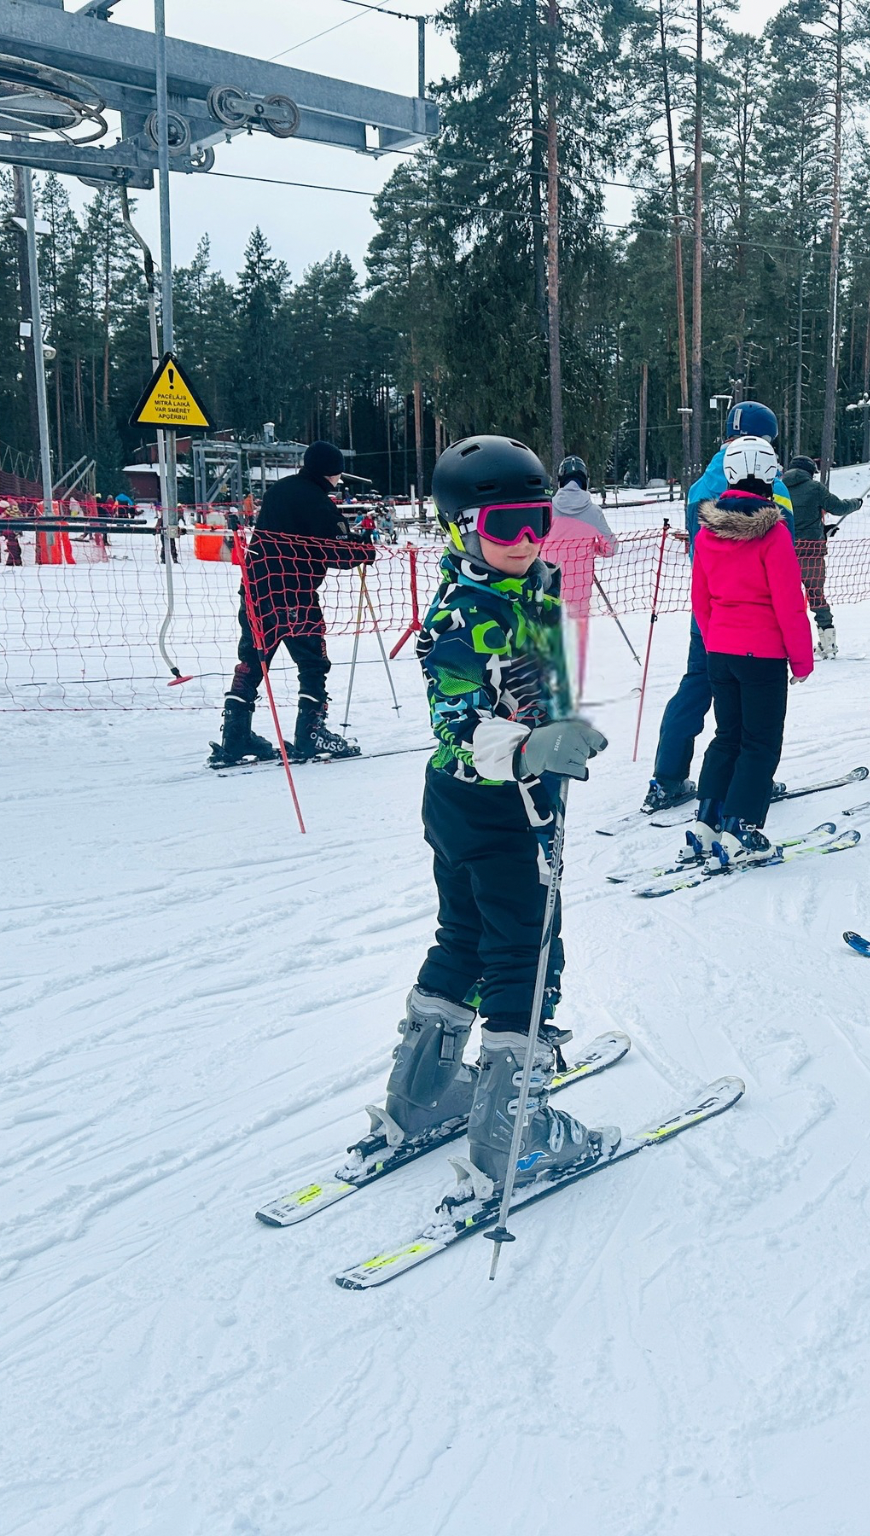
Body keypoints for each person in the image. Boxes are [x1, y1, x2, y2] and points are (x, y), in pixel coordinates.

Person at [382, 432, 615, 1186]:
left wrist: (560, 725)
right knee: (526, 948)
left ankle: (421, 1094)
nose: (522, 541)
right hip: (489, 800)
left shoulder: (535, 583)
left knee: (470, 934)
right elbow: (454, 721)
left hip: (494, 798)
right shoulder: (460, 614)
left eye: (535, 520)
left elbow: (543, 681)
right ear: (457, 529)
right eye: (501, 526)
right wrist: (528, 751)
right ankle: (513, 1131)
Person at [640, 401, 794, 813]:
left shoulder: (704, 483)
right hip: (757, 617)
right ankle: (751, 779)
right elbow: (785, 549)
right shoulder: (770, 482)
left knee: (698, 685)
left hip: (708, 606)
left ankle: (667, 776)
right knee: (753, 707)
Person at [687, 436, 815, 867]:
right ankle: (741, 827)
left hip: (721, 648)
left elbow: (700, 599)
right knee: (760, 742)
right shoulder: (773, 534)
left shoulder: (707, 533)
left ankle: (707, 820)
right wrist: (801, 657)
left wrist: (713, 639)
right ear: (770, 475)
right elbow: (788, 602)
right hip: (761, 654)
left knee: (728, 735)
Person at [211, 439, 373, 766]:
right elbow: (337, 551)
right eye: (337, 475)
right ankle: (310, 732)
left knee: (254, 658)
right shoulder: (316, 501)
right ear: (330, 472)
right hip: (294, 592)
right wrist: (363, 550)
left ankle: (236, 733)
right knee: (312, 662)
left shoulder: (280, 490)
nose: (337, 482)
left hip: (256, 588)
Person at [545, 455, 619, 697]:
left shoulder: (547, 509)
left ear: (560, 480)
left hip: (548, 584)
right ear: (585, 481)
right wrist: (593, 548)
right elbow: (611, 547)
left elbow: (534, 543)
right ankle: (575, 686)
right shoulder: (593, 512)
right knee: (577, 636)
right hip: (579, 586)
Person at [779, 454, 862, 657]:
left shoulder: (778, 488)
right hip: (811, 554)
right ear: (809, 472)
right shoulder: (814, 488)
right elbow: (839, 507)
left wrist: (823, 530)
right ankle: (828, 643)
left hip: (783, 554)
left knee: (784, 600)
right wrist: (856, 503)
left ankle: (785, 644)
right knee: (817, 598)